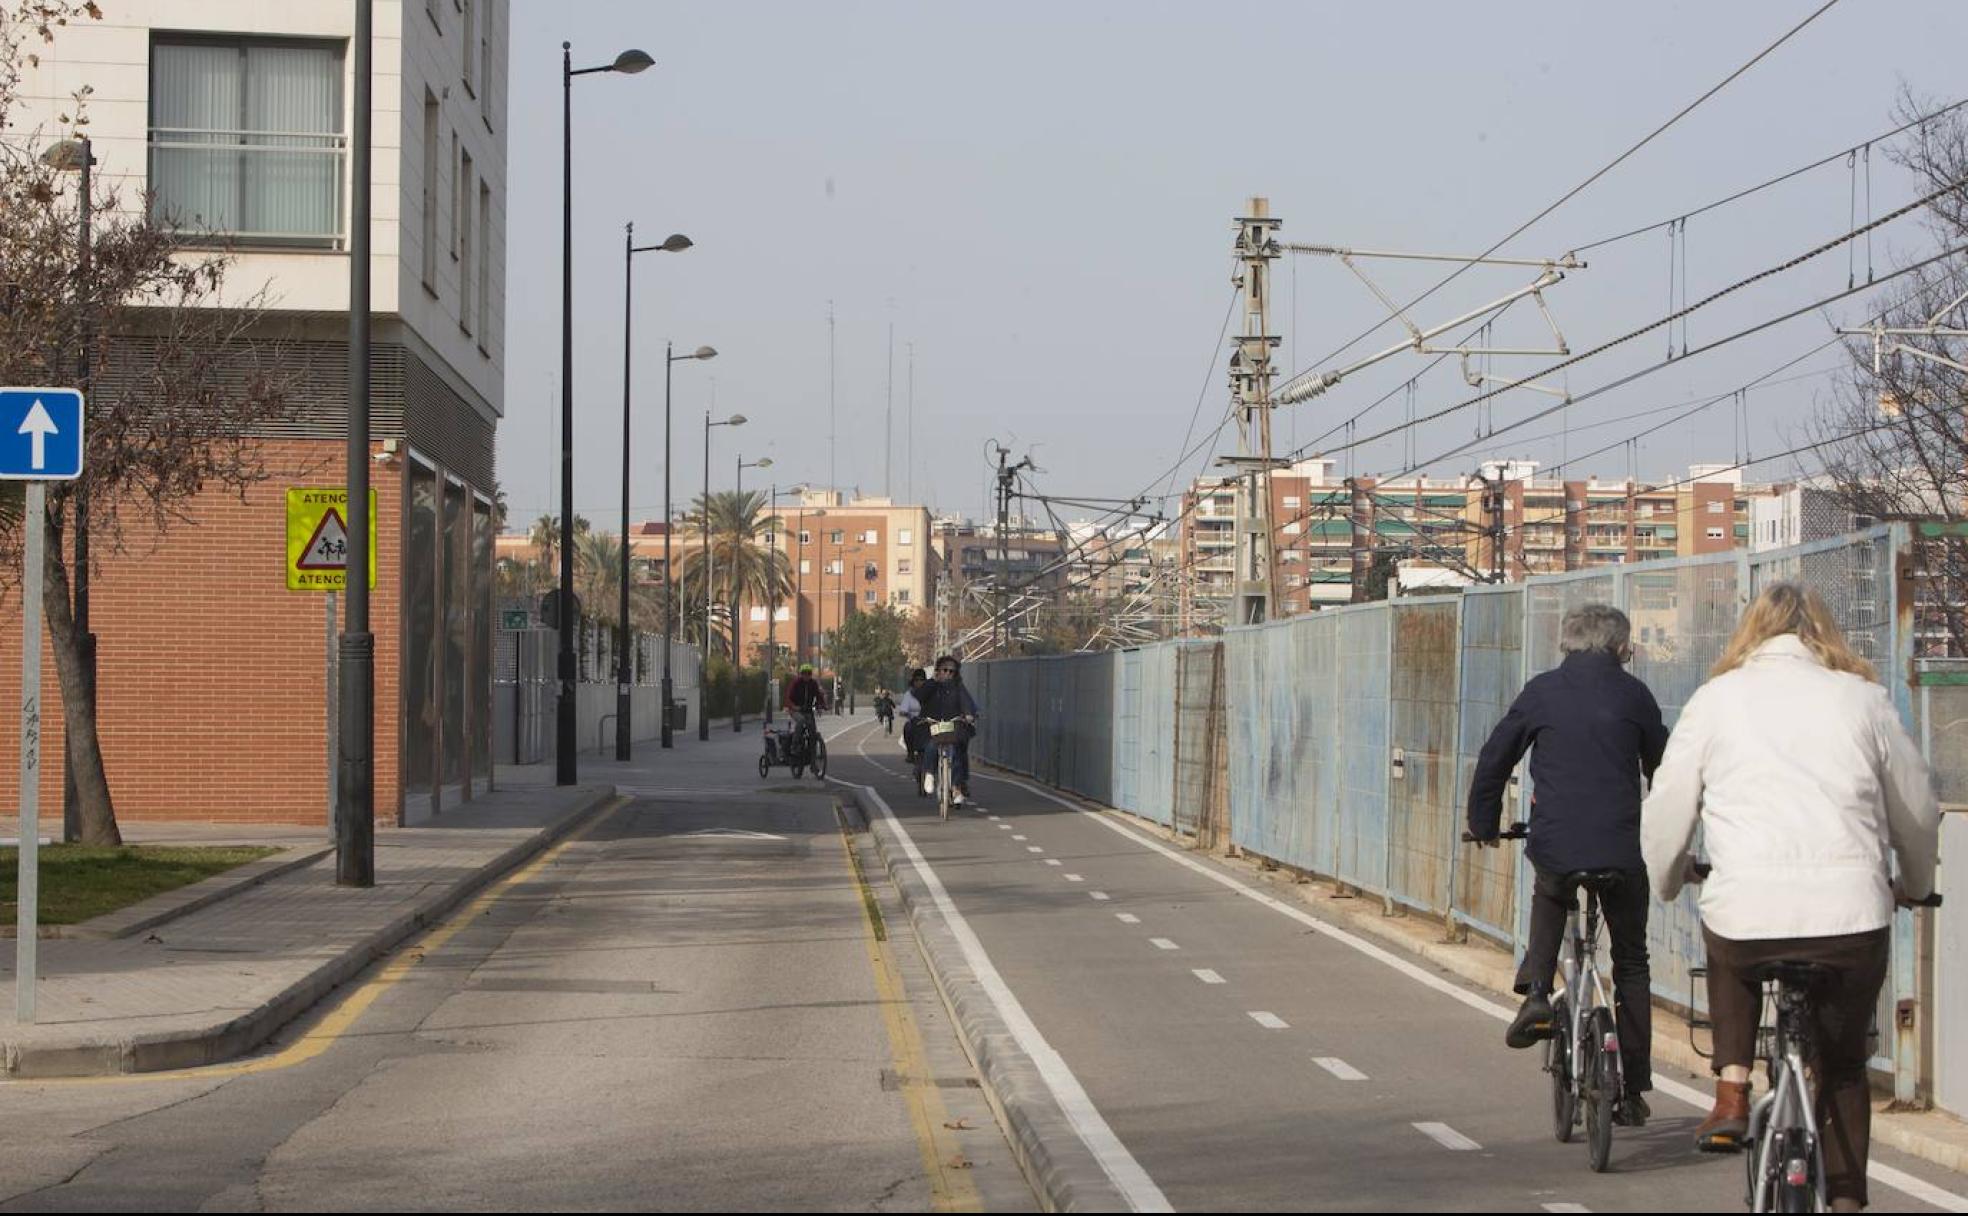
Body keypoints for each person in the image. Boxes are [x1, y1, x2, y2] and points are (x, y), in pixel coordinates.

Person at [1642, 583, 1940, 1209]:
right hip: (1851, 916)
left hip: (1747, 909)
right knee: (1846, 1067)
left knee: (1730, 949)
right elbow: (1917, 811)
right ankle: (1850, 1199)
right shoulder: (1864, 700)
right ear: (1824, 636)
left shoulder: (1715, 700)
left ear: (1749, 633)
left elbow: (1667, 808)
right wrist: (1915, 886)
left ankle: (1730, 1090)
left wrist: (1669, 880)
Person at [1466, 603, 1667, 1127]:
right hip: (1621, 851)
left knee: (1551, 891)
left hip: (1556, 842)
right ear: (1621, 648)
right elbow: (1663, 768)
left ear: (1567, 644)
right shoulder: (1635, 695)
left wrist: (1485, 824)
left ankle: (1536, 992)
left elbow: (1496, 758)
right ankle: (1634, 1086)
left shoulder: (1542, 691)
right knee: (1632, 963)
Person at [917, 654, 980, 802]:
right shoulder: (931, 686)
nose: (948, 674)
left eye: (951, 672)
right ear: (938, 671)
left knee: (957, 752)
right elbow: (920, 696)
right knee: (931, 746)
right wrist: (933, 681)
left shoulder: (958, 688)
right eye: (944, 670)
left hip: (953, 727)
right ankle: (929, 775)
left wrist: (969, 714)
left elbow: (966, 702)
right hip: (934, 725)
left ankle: (957, 787)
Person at [783, 663, 829, 757]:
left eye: (809, 674)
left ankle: (813, 757)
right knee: (801, 721)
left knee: (813, 731)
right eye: (804, 673)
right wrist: (793, 706)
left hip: (807, 710)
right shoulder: (796, 683)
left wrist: (821, 706)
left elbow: (819, 696)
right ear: (801, 674)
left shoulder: (813, 683)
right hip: (795, 710)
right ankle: (794, 745)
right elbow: (788, 698)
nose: (806, 676)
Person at [898, 667, 930, 768]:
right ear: (913, 682)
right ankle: (910, 753)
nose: (919, 682)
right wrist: (907, 714)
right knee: (907, 727)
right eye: (917, 680)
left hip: (929, 721)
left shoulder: (930, 693)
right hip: (915, 721)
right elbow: (903, 710)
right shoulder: (909, 694)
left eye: (922, 680)